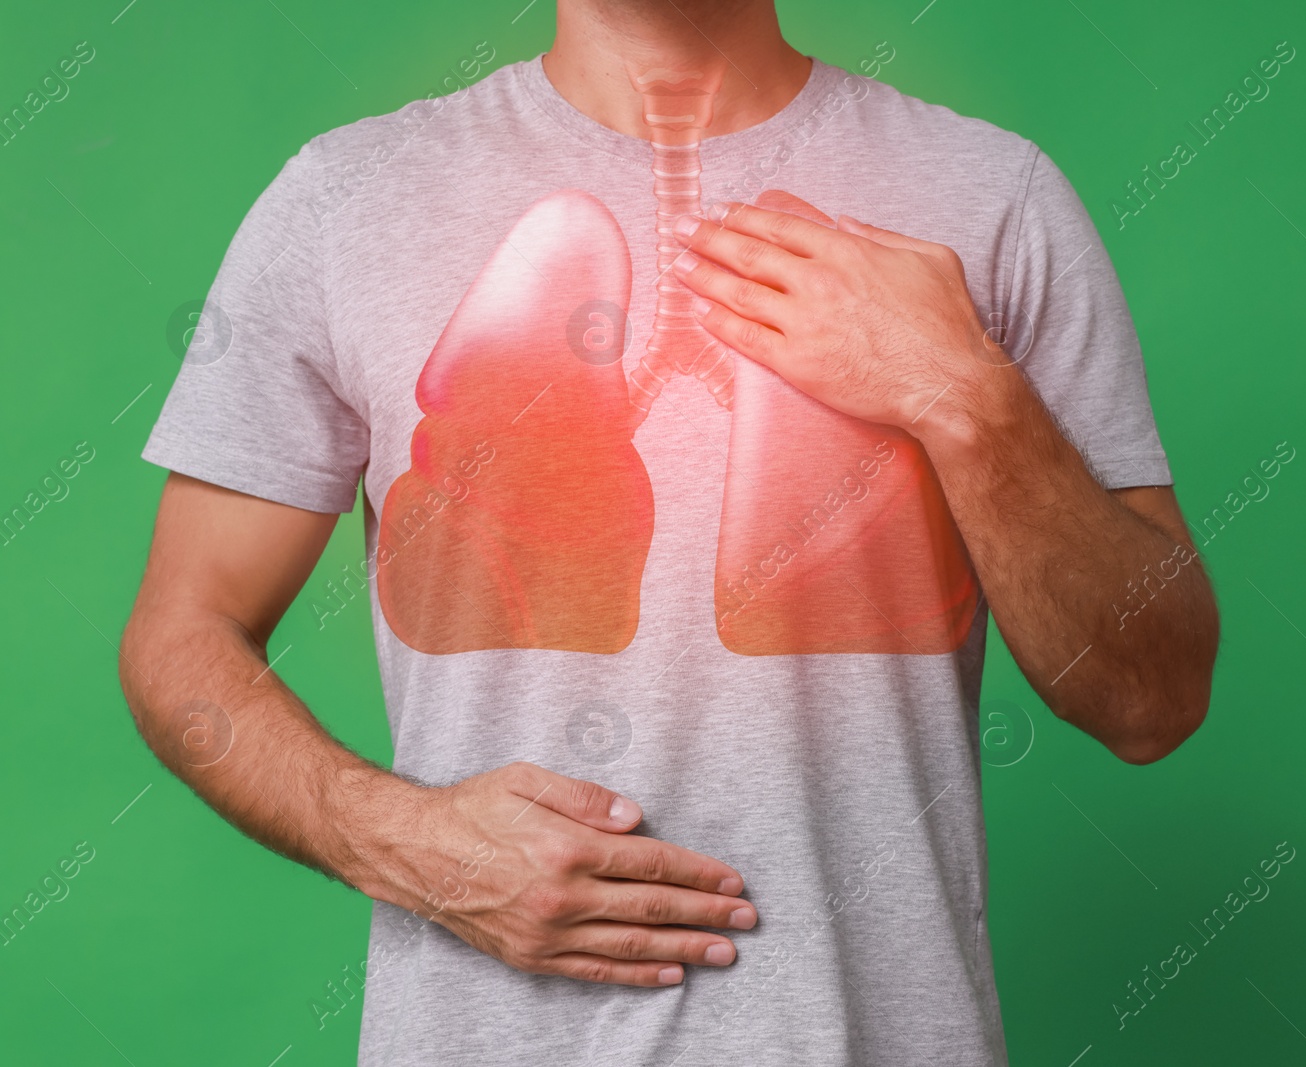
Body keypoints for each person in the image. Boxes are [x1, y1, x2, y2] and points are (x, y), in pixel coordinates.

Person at [120, 1, 1220, 1063]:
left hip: (870, 1036)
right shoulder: (347, 201)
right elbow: (183, 637)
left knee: (812, 492)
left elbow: (1150, 697)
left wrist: (959, 395)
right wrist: (398, 838)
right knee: (535, 442)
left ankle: (750, 521)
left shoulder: (992, 198)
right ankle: (537, 475)